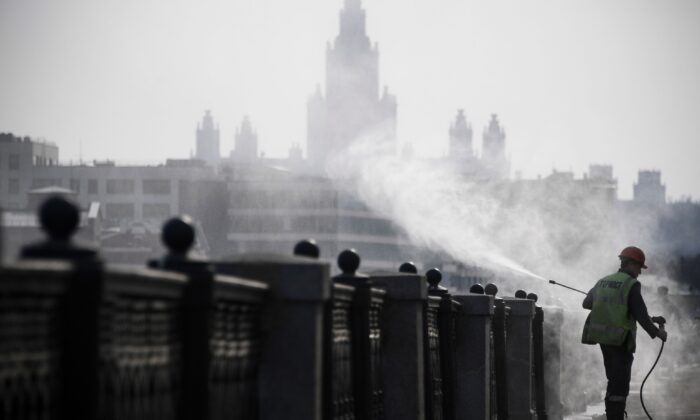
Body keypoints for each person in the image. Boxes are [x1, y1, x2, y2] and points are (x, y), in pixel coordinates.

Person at [581, 246, 668, 420]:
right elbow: (640, 315)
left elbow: (587, 303)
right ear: (631, 264)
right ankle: (616, 416)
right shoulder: (631, 284)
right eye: (639, 268)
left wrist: (604, 301)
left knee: (613, 380)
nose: (640, 273)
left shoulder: (603, 281)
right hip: (620, 341)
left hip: (604, 339)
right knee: (620, 383)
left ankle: (612, 414)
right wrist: (658, 333)